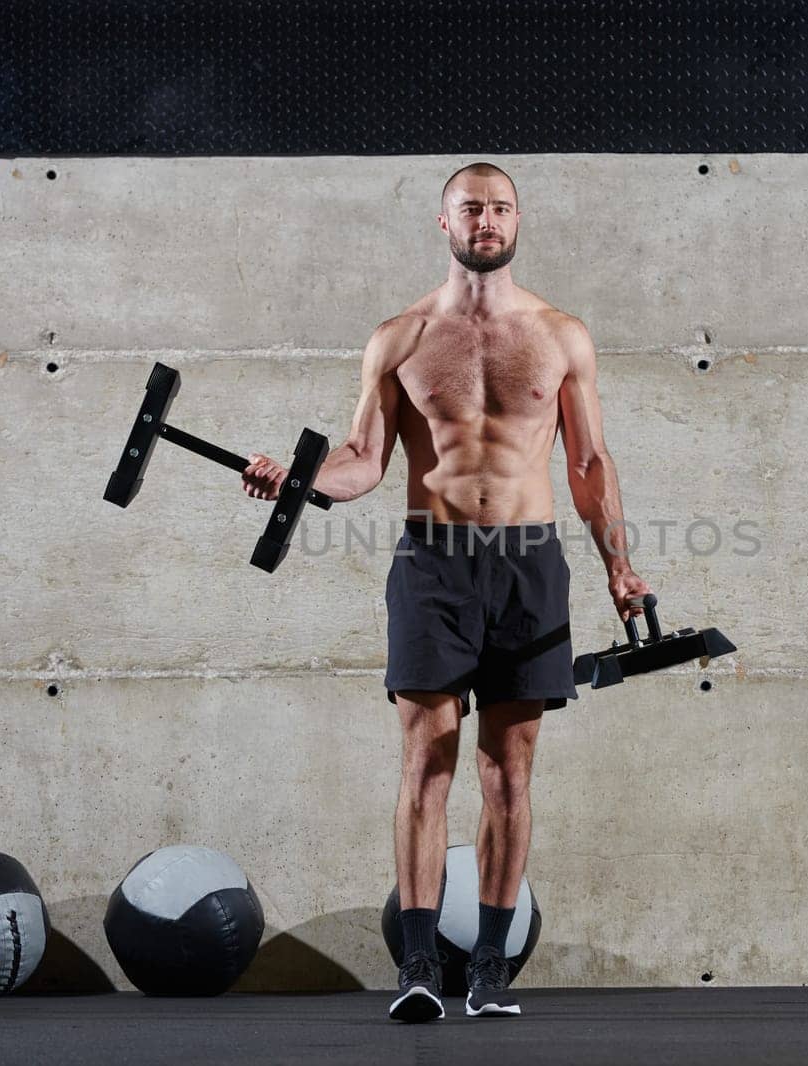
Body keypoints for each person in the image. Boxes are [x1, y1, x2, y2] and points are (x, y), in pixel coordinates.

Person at [241, 162, 650, 1021]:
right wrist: (299, 477)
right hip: (432, 563)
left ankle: (493, 968)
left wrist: (618, 564)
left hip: (530, 565)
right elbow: (361, 462)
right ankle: (420, 963)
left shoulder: (561, 334)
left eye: (501, 208)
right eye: (473, 208)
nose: (488, 221)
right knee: (427, 758)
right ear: (444, 222)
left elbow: (587, 462)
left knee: (509, 773)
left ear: (517, 220)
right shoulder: (399, 338)